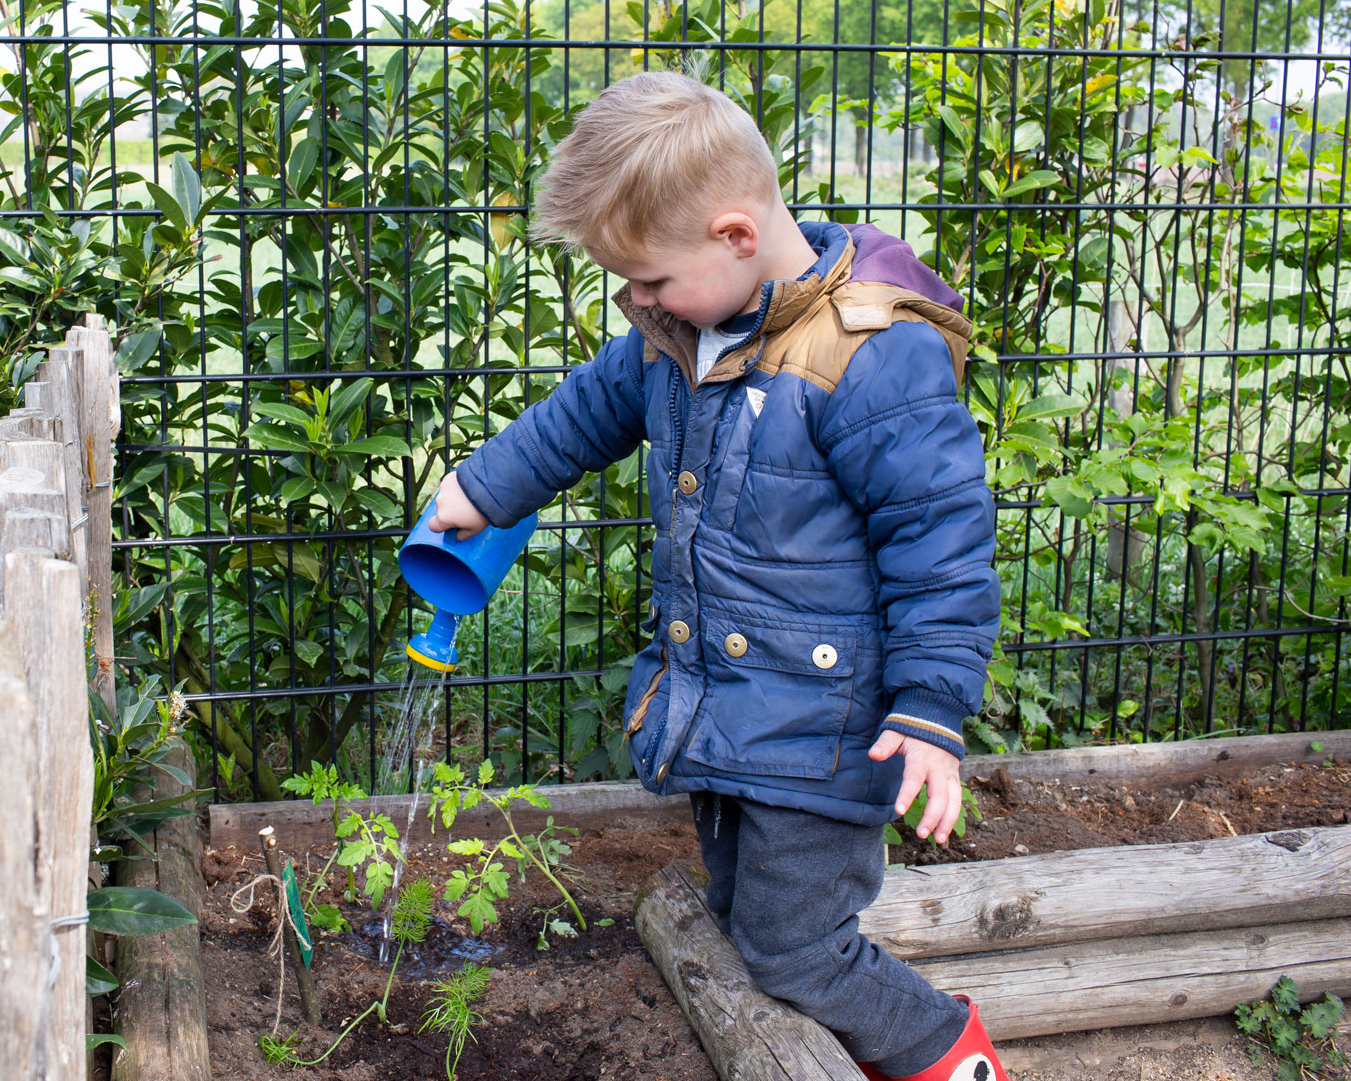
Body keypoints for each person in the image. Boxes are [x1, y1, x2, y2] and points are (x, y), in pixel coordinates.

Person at [425, 70, 1009, 1081]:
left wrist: (929, 711)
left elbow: (942, 545)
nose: (634, 302)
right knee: (749, 916)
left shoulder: (869, 360)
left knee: (797, 948)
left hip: (826, 726)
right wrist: (482, 489)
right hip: (724, 706)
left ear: (737, 236)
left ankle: (951, 1057)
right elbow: (579, 418)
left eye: (647, 280)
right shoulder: (678, 332)